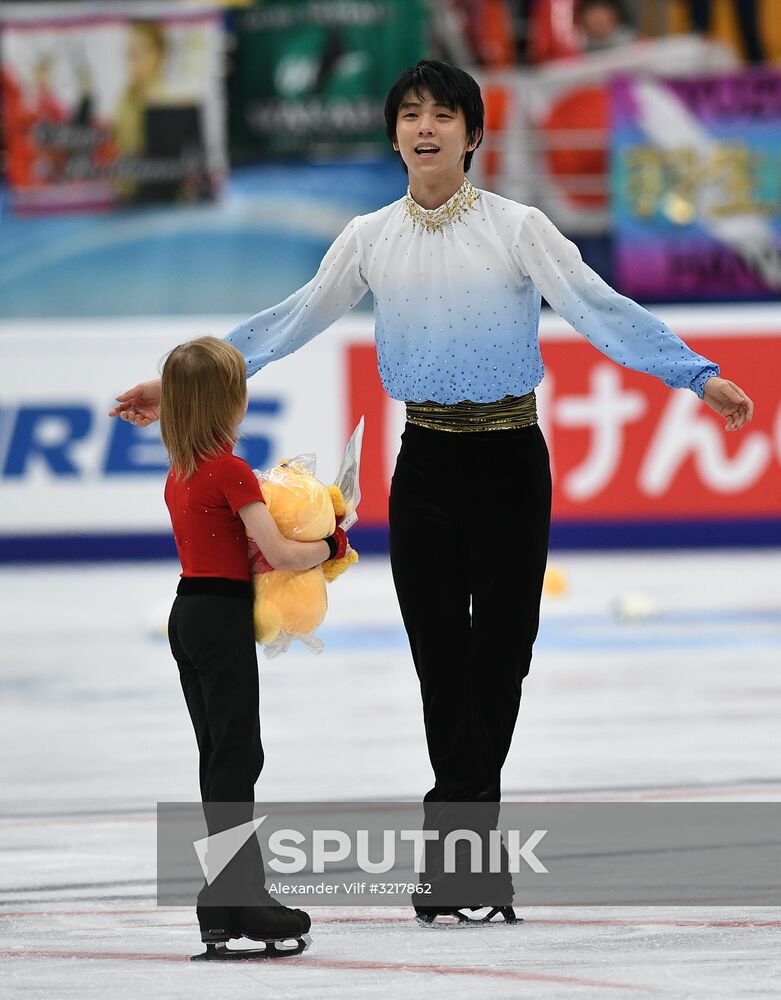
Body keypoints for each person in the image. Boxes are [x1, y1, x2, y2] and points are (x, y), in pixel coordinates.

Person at [110, 60, 753, 925]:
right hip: (424, 469)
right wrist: (175, 382)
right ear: (392, 136)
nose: (424, 127)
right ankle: (463, 865)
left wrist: (693, 372)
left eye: (442, 115)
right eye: (409, 114)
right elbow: (292, 319)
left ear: (472, 134)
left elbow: (599, 308)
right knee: (442, 669)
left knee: (504, 661)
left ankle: (456, 852)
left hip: (510, 464)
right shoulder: (369, 238)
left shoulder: (519, 228)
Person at [159, 336, 347, 957]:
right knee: (237, 756)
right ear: (229, 403)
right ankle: (240, 897)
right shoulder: (230, 470)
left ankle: (222, 900)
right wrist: (332, 547)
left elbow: (240, 548)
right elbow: (285, 553)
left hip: (188, 611)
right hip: (217, 615)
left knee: (220, 754)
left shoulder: (181, 471)